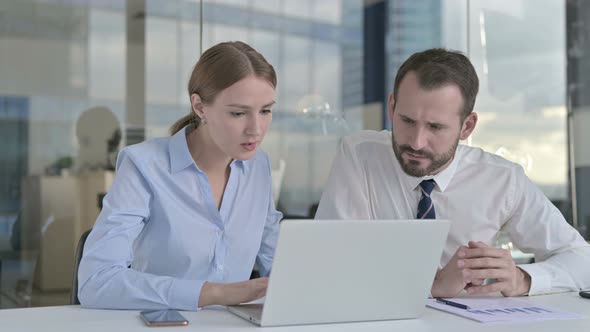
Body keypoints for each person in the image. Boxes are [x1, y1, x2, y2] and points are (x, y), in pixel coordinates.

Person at [315, 48, 590, 298]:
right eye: (407, 120)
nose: (416, 141)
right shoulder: (360, 155)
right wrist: (433, 288)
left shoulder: (502, 179)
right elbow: (329, 267)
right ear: (391, 107)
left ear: (467, 127)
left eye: (435, 127)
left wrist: (524, 279)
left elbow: (581, 259)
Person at [78, 41, 282, 310]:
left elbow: (277, 259)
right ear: (199, 107)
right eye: (238, 113)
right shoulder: (144, 165)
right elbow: (96, 283)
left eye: (265, 110)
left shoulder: (258, 166)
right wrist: (216, 294)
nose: (256, 129)